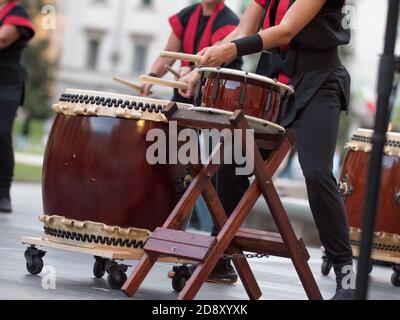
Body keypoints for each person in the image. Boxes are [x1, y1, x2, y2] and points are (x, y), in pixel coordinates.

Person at [179, 0, 355, 300]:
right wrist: (201, 69)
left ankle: (346, 275)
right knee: (231, 160)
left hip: (319, 82)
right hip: (273, 81)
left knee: (316, 172)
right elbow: (243, 29)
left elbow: (286, 31)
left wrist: (230, 51)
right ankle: (221, 257)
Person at [141, 0, 242, 103]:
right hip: (183, 91)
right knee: (171, 119)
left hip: (213, 97)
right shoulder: (187, 14)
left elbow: (214, 58)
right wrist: (151, 77)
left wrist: (191, 69)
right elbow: (169, 51)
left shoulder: (229, 21)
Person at [0, 0, 35, 213]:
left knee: (1, 133)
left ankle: (3, 192)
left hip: (6, 84)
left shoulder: (18, 12)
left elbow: (3, 38)